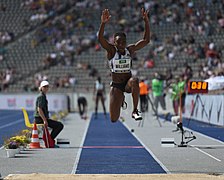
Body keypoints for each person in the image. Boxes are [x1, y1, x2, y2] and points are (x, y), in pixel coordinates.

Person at [98, 8, 150, 122]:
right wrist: (103, 23)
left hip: (127, 83)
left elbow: (146, 40)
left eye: (123, 42)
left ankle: (135, 110)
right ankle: (120, 99)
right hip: (116, 86)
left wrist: (146, 21)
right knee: (113, 119)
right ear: (114, 43)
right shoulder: (111, 51)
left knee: (135, 80)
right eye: (118, 42)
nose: (121, 44)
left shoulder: (129, 50)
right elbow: (101, 39)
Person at [34, 80, 64, 148]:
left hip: (40, 118)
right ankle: (49, 141)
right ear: (41, 88)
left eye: (47, 87)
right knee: (59, 125)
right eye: (44, 87)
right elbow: (39, 109)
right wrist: (45, 120)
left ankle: (49, 141)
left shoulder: (43, 96)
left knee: (58, 125)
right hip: (40, 119)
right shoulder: (41, 96)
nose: (46, 88)